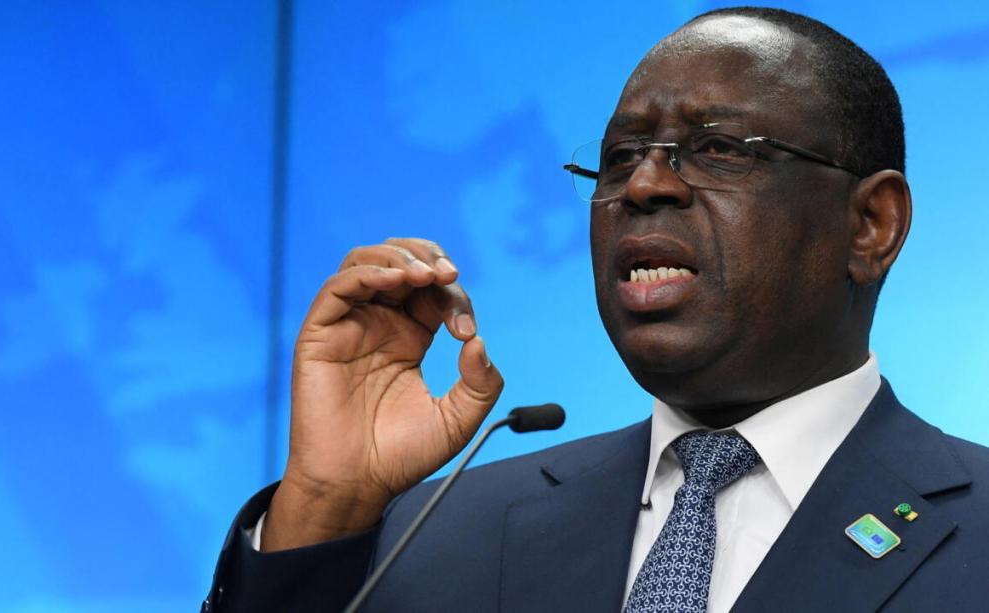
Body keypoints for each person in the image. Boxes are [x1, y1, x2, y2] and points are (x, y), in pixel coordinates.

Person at [203, 7, 989, 612]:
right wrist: (326, 506)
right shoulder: (441, 529)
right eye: (619, 157)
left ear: (870, 224)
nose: (643, 186)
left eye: (717, 149)